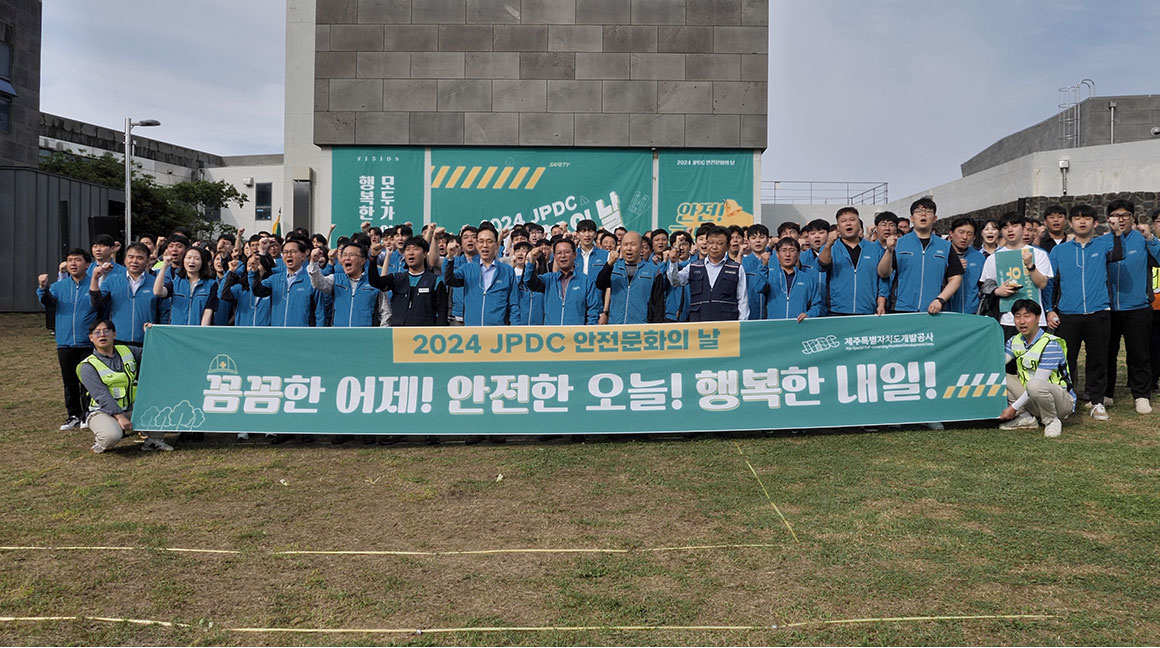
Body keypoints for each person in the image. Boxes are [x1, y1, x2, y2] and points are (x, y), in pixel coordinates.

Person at [1043, 203, 1123, 421]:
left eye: (1087, 218)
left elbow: (1117, 255)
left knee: (1098, 359)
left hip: (1098, 312)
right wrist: (1049, 309)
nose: (1082, 221)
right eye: (1077, 218)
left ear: (1095, 223)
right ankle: (1066, 401)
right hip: (1068, 313)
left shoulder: (1103, 244)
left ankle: (1097, 402)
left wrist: (1115, 232)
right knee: (1066, 361)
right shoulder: (1059, 251)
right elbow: (1050, 282)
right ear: (1071, 223)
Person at [78, 319, 173, 453]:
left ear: (114, 334)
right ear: (91, 338)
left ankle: (154, 440)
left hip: (130, 407)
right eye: (97, 332)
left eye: (106, 331)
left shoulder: (127, 351)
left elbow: (153, 352)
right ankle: (102, 440)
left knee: (162, 403)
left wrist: (152, 334)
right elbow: (101, 395)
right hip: (101, 412)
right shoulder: (87, 366)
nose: (102, 335)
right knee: (112, 436)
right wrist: (119, 416)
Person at [1103, 200, 1160, 414]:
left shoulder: (1143, 240)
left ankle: (1141, 395)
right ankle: (1106, 393)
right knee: (1107, 352)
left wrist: (1151, 239)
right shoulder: (1103, 242)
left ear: (1133, 218)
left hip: (1137, 306)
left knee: (1139, 353)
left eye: (1125, 215)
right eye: (1115, 215)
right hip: (1108, 307)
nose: (1120, 219)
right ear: (1108, 219)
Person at [38, 248, 99, 430]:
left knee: (88, 380)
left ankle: (89, 414)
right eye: (70, 260)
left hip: (87, 341)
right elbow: (48, 302)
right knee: (69, 380)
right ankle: (73, 414)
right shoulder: (59, 286)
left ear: (87, 265)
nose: (73, 264)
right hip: (64, 342)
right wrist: (42, 288)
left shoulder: (94, 285)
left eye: (78, 260)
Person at [998, 299, 1074, 438]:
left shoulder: (1050, 344)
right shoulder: (1014, 341)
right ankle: (1026, 418)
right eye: (1017, 316)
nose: (1022, 321)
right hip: (1033, 397)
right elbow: (998, 364)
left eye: (1027, 316)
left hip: (1060, 401)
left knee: (1035, 384)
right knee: (999, 375)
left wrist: (1012, 408)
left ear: (1038, 318)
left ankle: (1052, 421)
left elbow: (1038, 382)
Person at [878, 197, 963, 316]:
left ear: (935, 218)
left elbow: (955, 278)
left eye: (928, 211)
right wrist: (889, 251)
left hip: (934, 310)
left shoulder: (945, 246)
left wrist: (940, 299)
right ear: (912, 218)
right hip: (901, 308)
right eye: (918, 211)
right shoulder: (899, 243)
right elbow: (883, 273)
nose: (923, 214)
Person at [980, 212, 1053, 338]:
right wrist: (998, 291)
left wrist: (1030, 266)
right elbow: (985, 287)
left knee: (1034, 357)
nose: (1010, 230)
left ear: (1023, 228)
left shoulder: (1038, 254)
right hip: (1006, 319)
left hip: (1035, 319)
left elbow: (1042, 284)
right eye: (1005, 227)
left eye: (1014, 225)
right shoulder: (993, 258)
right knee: (1007, 357)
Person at [666, 226, 748, 321]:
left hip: (727, 325)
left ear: (727, 246)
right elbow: (675, 281)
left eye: (719, 243)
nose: (714, 247)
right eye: (711, 243)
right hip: (700, 324)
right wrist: (673, 262)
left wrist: (742, 325)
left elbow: (743, 301)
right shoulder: (694, 266)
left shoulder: (736, 268)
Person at [443, 226, 521, 326]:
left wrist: (515, 328)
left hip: (497, 333)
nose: (485, 245)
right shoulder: (467, 269)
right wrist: (450, 257)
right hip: (472, 333)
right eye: (481, 241)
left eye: (489, 241)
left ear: (497, 245)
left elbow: (514, 304)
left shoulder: (507, 271)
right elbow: (449, 280)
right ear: (477, 245)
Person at [818, 207, 888, 316]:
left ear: (859, 224)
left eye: (852, 220)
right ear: (838, 227)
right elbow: (823, 264)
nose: (848, 223)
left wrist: (881, 304)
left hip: (867, 310)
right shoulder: (830, 248)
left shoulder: (875, 248)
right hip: (837, 311)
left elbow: (882, 280)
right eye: (843, 221)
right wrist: (828, 245)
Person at [89, 242, 159, 346]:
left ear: (148, 261)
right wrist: (95, 278)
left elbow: (164, 312)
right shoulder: (112, 280)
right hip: (118, 339)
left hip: (147, 340)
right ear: (125, 259)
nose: (134, 261)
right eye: (131, 257)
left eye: (140, 258)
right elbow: (96, 303)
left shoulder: (155, 283)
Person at [371, 235, 449, 326]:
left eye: (415, 249)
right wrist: (373, 258)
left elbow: (442, 313)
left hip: (424, 335)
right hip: (399, 334)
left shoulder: (436, 281)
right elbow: (375, 282)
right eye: (407, 249)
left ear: (424, 254)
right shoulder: (397, 278)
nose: (410, 253)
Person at [247, 237, 326, 327]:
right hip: (278, 334)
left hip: (302, 335)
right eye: (285, 252)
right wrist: (253, 271)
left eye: (293, 252)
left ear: (303, 256)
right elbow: (257, 291)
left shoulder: (312, 280)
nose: (288, 255)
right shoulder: (274, 279)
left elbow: (320, 312)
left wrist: (319, 334)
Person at [307, 242, 390, 327]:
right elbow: (318, 283)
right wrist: (313, 262)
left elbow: (385, 312)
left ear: (363, 260)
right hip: (340, 335)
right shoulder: (336, 279)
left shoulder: (374, 282)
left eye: (351, 255)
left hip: (366, 336)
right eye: (344, 255)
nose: (347, 258)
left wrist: (382, 334)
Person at [523, 238, 602, 325]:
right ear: (555, 256)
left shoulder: (586, 281)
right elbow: (529, 281)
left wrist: (588, 332)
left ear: (575, 254)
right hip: (552, 335)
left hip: (576, 335)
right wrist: (532, 261)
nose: (563, 255)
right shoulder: (548, 279)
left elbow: (593, 310)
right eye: (559, 253)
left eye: (567, 252)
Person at [595, 231, 666, 325]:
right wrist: (609, 264)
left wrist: (656, 328)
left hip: (642, 327)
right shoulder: (613, 268)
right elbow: (600, 284)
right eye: (625, 244)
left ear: (641, 248)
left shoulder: (653, 271)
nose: (628, 248)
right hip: (616, 325)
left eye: (633, 244)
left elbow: (658, 305)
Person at [152, 246, 219, 326]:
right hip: (177, 331)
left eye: (197, 258)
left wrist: (201, 333)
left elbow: (208, 311)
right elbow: (158, 292)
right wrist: (164, 266)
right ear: (183, 261)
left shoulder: (211, 284)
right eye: (188, 257)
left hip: (197, 332)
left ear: (202, 262)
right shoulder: (176, 282)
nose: (192, 261)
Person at [765, 237, 823, 321]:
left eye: (792, 250)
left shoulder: (807, 279)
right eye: (783, 250)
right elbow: (758, 289)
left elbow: (817, 305)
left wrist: (809, 314)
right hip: (774, 327)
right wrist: (763, 266)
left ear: (798, 254)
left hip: (799, 327)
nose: (787, 254)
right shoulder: (769, 276)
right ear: (777, 254)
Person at [946, 217, 985, 315]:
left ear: (974, 237)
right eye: (961, 232)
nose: (964, 237)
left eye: (969, 234)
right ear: (951, 233)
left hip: (972, 313)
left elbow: (983, 286)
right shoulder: (942, 254)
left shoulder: (979, 257)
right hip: (945, 312)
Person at [742, 224, 771, 321]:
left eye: (761, 237)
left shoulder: (776, 261)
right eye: (753, 238)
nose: (758, 241)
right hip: (749, 314)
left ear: (767, 240)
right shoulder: (743, 262)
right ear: (748, 241)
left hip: (771, 315)